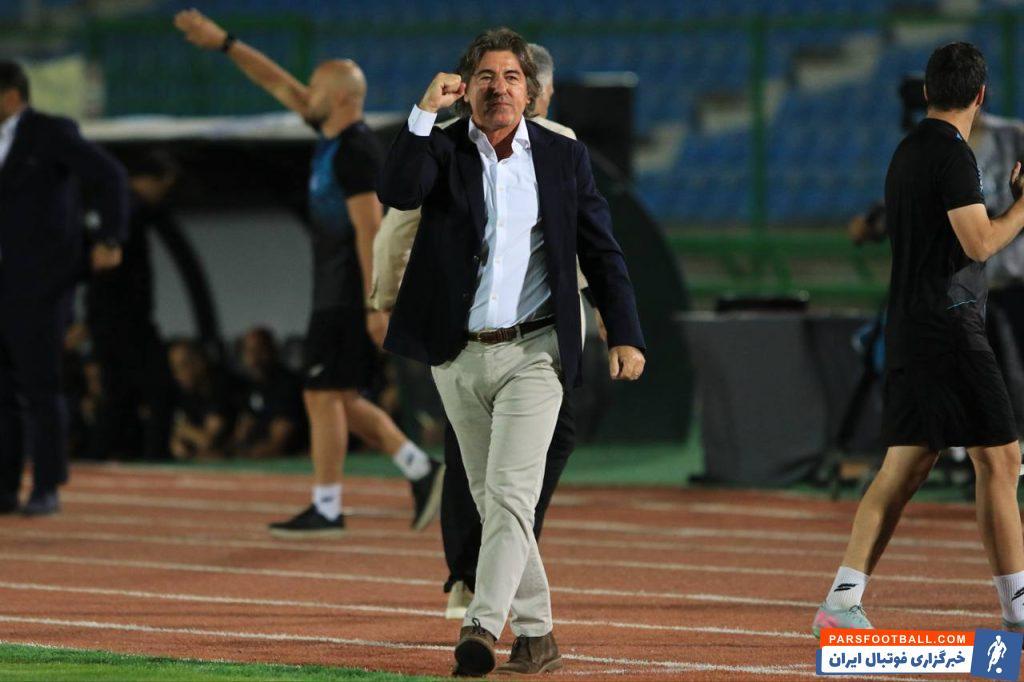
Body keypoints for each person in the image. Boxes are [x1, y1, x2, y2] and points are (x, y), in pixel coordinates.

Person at [378, 28, 645, 677]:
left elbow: (600, 247)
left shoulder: (563, 155)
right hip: (457, 355)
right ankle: (538, 635)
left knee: (508, 495)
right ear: (464, 88)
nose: (499, 88)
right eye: (486, 78)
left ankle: (481, 624)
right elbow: (399, 191)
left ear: (531, 92)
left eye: (512, 78)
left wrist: (625, 330)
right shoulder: (440, 148)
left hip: (535, 351)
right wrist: (422, 112)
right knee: (489, 495)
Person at [174, 9, 444, 534]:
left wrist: (376, 303)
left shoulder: (357, 152)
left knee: (321, 395)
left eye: (315, 87)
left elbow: (371, 230)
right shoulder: (332, 135)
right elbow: (276, 82)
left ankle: (328, 505)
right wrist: (225, 43)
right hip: (333, 289)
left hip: (347, 292)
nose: (304, 93)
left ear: (340, 97)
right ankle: (420, 469)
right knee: (338, 396)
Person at [813, 42, 1024, 636]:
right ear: (980, 95)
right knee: (1001, 458)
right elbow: (979, 243)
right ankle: (1017, 611)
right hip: (948, 325)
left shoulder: (908, 150)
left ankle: (841, 602)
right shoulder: (952, 154)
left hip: (910, 325)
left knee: (905, 466)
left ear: (929, 91)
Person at [0, 60, 128, 516]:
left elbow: (110, 175)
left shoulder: (49, 132)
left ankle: (46, 485)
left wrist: (110, 237)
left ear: (11, 95)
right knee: (2, 392)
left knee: (41, 385)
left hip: (42, 282)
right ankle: (4, 487)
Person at [86, 150, 178, 462]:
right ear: (148, 180)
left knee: (118, 395)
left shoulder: (111, 204)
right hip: (125, 319)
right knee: (160, 389)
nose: (164, 195)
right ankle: (155, 457)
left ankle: (100, 458)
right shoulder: (127, 207)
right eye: (164, 186)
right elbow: (104, 262)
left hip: (111, 318)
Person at [229, 327, 305, 459]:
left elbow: (278, 444)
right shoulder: (251, 386)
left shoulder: (287, 384)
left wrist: (243, 454)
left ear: (273, 350)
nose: (254, 356)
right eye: (248, 350)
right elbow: (242, 431)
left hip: (291, 458)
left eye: (260, 349)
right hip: (256, 455)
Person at [167, 339, 233, 461]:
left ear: (200, 362)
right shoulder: (187, 395)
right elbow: (178, 449)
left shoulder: (221, 388)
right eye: (175, 369)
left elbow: (207, 441)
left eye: (183, 365)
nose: (178, 374)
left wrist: (183, 429)